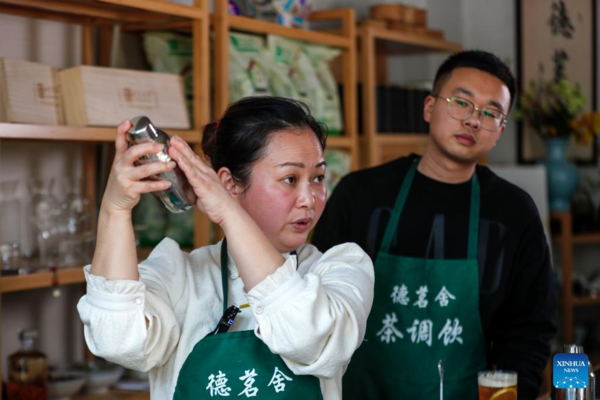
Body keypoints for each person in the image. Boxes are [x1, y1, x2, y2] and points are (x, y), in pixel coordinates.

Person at [77, 96, 374, 399]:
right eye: (289, 178)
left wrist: (228, 211)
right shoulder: (178, 274)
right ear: (230, 184)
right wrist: (115, 209)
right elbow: (118, 340)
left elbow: (309, 338)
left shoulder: (342, 269)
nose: (309, 199)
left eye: (318, 178)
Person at [312, 50, 556, 399]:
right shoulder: (361, 193)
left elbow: (528, 330)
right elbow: (317, 301)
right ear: (429, 108)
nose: (473, 120)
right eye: (461, 102)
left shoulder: (514, 213)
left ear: (500, 130)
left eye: (491, 113)